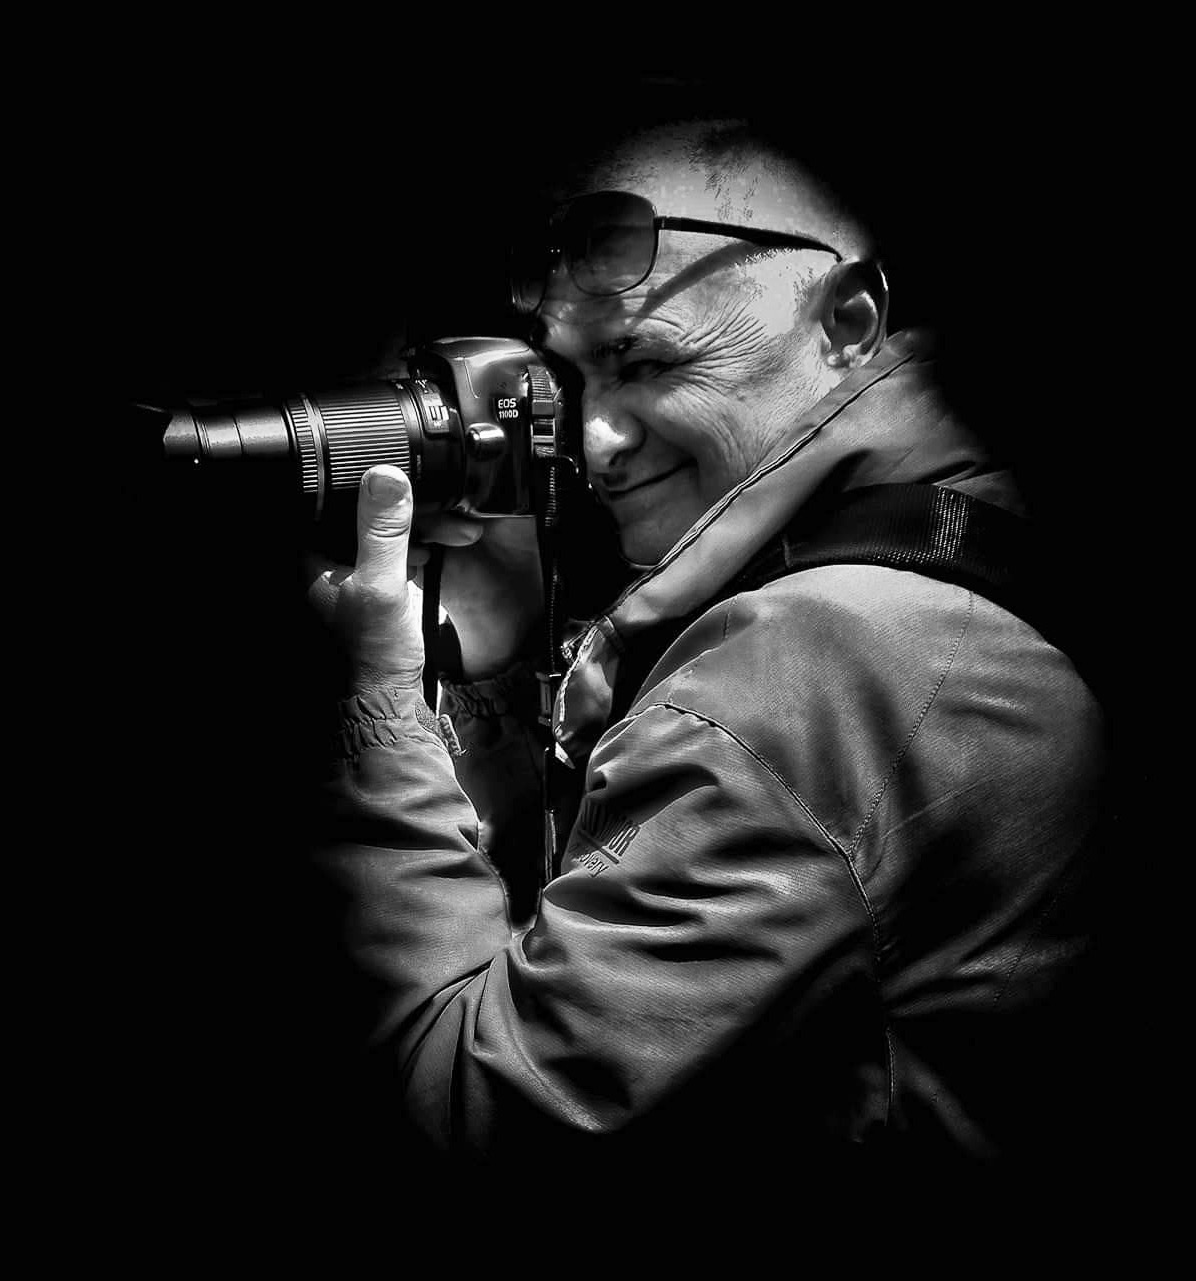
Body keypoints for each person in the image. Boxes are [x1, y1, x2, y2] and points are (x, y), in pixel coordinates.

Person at [304, 115, 1109, 1192]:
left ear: (847, 323)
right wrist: (496, 670)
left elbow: (464, 1113)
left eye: (647, 361)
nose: (593, 441)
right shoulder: (954, 554)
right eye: (576, 381)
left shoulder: (815, 655)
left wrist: (378, 702)